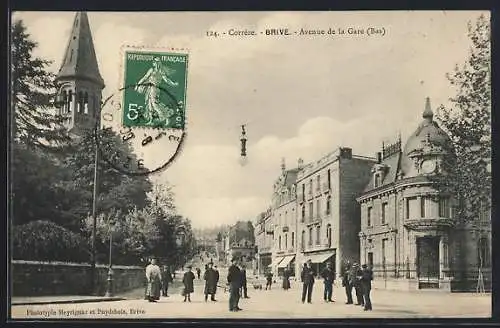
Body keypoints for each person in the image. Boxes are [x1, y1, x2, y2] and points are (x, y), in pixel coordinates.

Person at [134, 57, 179, 124]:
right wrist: (138, 84)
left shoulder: (161, 71)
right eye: (153, 62)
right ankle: (151, 120)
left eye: (154, 62)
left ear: (157, 63)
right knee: (149, 104)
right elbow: (145, 77)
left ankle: (166, 117)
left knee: (155, 104)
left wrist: (173, 84)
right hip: (150, 88)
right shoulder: (151, 70)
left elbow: (166, 80)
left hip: (154, 89)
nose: (153, 63)